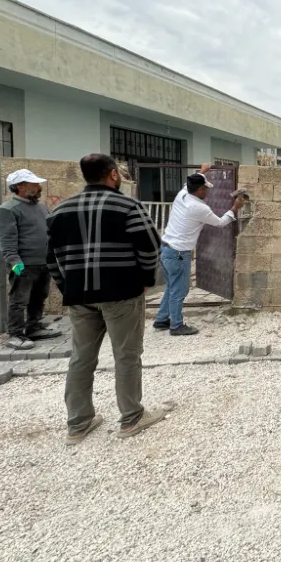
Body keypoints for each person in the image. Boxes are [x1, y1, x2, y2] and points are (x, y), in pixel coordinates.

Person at [46, 154, 165, 444]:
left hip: (80, 296)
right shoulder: (129, 206)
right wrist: (145, 281)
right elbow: (150, 248)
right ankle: (131, 417)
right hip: (122, 293)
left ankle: (78, 424)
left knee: (81, 358)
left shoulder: (60, 210)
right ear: (113, 174)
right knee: (126, 356)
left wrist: (69, 288)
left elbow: (52, 259)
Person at [154, 164, 246, 336]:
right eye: (205, 188)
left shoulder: (182, 194)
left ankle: (161, 319)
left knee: (172, 286)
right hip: (179, 253)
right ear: (199, 190)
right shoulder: (199, 208)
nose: (208, 192)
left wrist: (202, 172)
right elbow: (220, 222)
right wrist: (235, 208)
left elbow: (187, 182)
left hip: (166, 249)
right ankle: (176, 325)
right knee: (180, 290)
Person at [0, 169, 62, 350]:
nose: (39, 187)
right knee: (19, 299)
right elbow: (7, 241)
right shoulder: (7, 210)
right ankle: (15, 334)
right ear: (21, 187)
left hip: (43, 263)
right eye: (34, 184)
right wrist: (15, 264)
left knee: (39, 296)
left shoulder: (41, 208)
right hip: (23, 265)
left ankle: (34, 327)